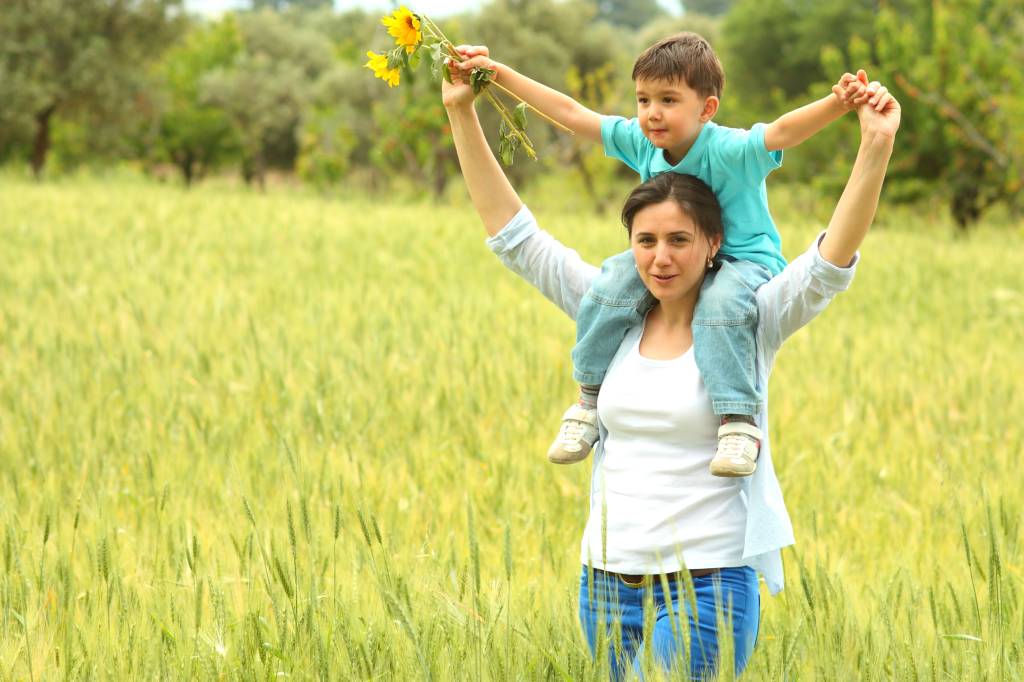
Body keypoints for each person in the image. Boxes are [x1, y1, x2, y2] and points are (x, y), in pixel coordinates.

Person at [441, 52, 900, 679]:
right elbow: (517, 238)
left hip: (708, 580)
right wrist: (462, 113)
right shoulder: (609, 311)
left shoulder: (752, 318)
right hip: (607, 582)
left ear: (714, 245)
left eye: (680, 240)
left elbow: (827, 264)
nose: (661, 258)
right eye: (646, 241)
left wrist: (874, 145)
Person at [455, 34, 874, 476]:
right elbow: (571, 113)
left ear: (706, 108)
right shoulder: (642, 142)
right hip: (676, 261)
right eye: (643, 99)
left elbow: (784, 131)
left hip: (742, 264)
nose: (652, 113)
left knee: (720, 305)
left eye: (668, 100)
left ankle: (737, 420)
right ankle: (588, 400)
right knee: (609, 286)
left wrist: (839, 103)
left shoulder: (729, 150)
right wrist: (497, 74)